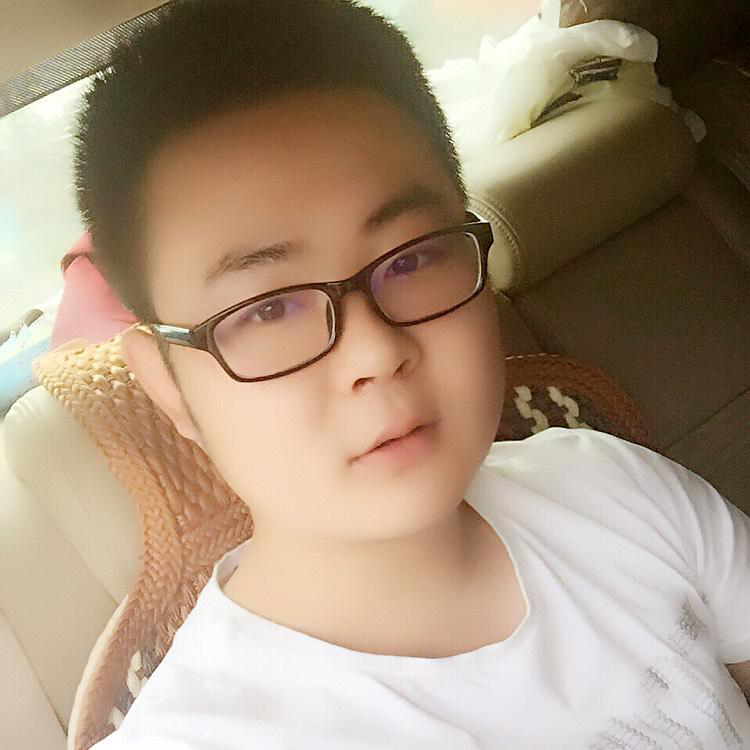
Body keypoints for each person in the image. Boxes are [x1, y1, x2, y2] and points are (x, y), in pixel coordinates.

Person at [74, 1, 750, 747]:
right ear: (167, 385)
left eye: (412, 259)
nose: (374, 353)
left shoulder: (617, 489)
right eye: (268, 309)